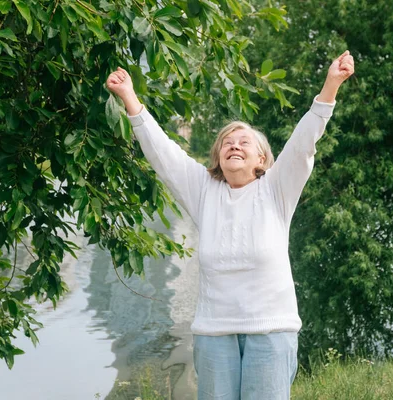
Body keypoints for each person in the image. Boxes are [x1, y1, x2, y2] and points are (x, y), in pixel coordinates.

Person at [106, 50, 354, 400]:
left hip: (271, 331)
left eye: (244, 142)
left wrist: (331, 85)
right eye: (227, 142)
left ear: (261, 158)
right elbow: (164, 154)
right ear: (218, 157)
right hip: (214, 335)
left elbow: (302, 145)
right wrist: (130, 98)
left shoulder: (276, 188)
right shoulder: (204, 191)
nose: (234, 145)